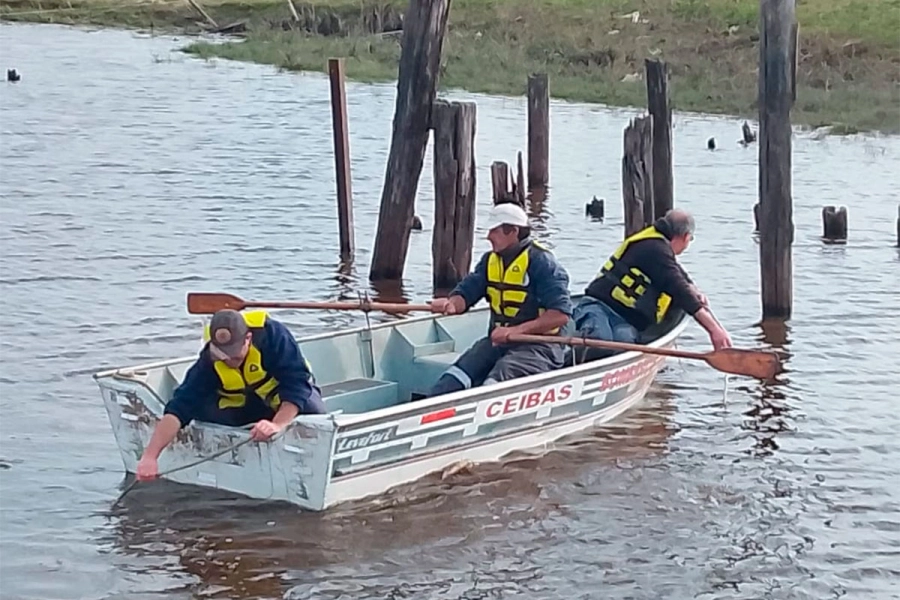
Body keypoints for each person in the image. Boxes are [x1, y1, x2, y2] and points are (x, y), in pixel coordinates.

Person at [136, 309, 326, 481]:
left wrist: (277, 425)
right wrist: (149, 457)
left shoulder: (274, 337)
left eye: (235, 355)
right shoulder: (207, 362)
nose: (229, 361)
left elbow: (296, 384)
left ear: (248, 339)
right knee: (198, 410)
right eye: (223, 356)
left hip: (281, 400)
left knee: (312, 409)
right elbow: (179, 408)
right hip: (242, 406)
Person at [428, 202, 574, 396]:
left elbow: (560, 315)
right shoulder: (490, 261)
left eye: (494, 231)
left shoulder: (543, 264)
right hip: (498, 342)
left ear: (512, 231)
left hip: (540, 345)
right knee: (455, 377)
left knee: (498, 379)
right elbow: (468, 291)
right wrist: (452, 304)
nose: (488, 237)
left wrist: (515, 330)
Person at [573, 208, 732, 351]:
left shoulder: (655, 243)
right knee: (598, 343)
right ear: (685, 236)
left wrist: (693, 288)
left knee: (624, 344)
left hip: (626, 320)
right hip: (598, 307)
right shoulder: (654, 248)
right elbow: (679, 289)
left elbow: (675, 272)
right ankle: (562, 366)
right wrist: (715, 331)